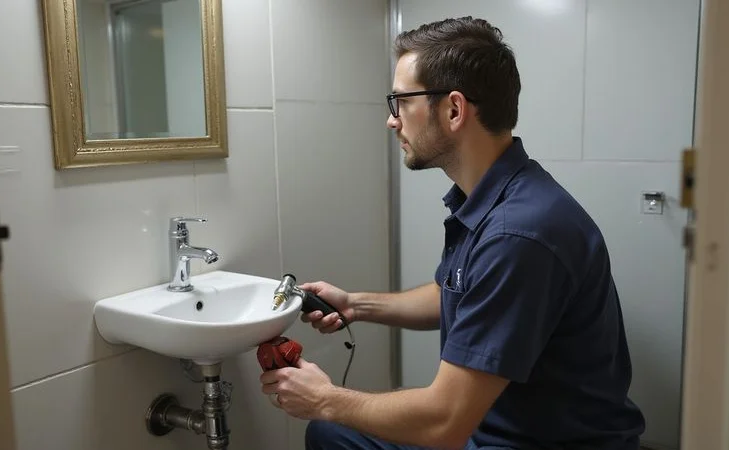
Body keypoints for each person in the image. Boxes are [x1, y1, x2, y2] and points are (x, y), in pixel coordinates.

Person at [259, 16, 646, 450]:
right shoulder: (497, 198)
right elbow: (460, 294)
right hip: (490, 432)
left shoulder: (517, 234)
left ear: (455, 109)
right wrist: (357, 305)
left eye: (400, 102)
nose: (392, 121)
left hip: (530, 442)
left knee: (331, 426)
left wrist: (325, 399)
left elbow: (444, 424)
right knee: (331, 434)